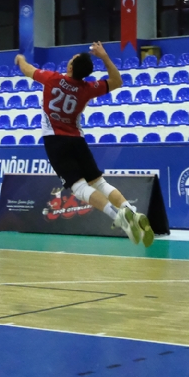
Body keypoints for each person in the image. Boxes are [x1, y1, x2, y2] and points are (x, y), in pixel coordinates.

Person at [15, 43, 153, 247]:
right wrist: (104, 56)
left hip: (55, 140)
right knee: (100, 183)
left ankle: (118, 217)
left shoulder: (52, 79)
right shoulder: (87, 89)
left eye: (71, 59)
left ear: (70, 67)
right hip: (77, 140)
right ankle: (131, 211)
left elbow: (27, 70)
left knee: (79, 188)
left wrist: (20, 60)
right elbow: (117, 81)